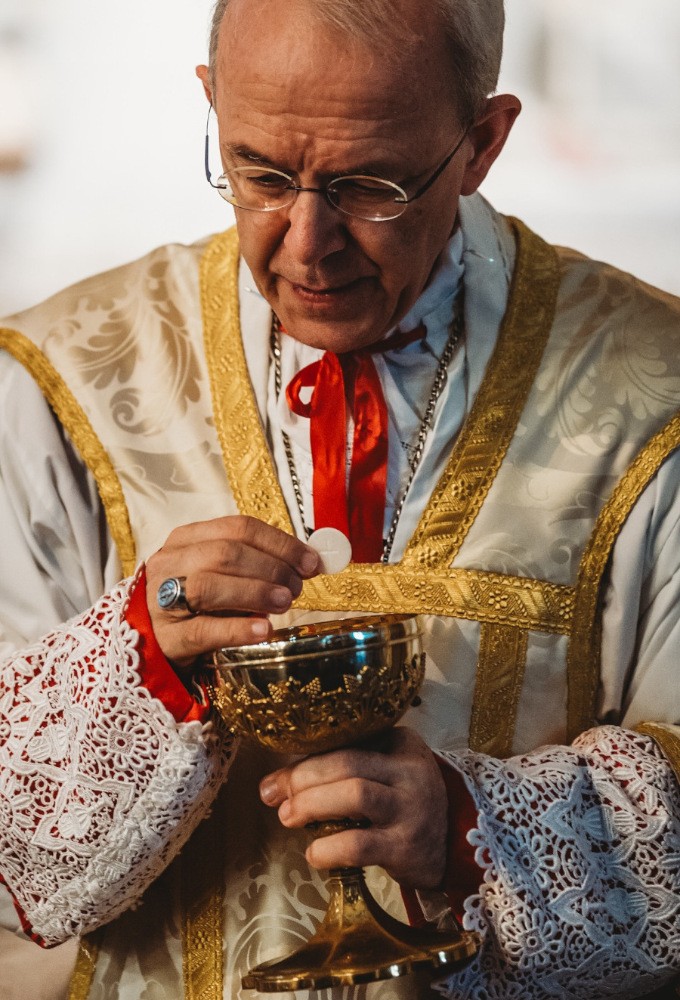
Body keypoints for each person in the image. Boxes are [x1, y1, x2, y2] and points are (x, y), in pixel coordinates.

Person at [0, 0, 679, 997]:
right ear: (210, 103)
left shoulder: (651, 393)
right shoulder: (62, 383)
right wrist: (137, 658)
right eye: (261, 173)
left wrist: (468, 831)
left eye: (370, 185)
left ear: (481, 142)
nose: (307, 244)